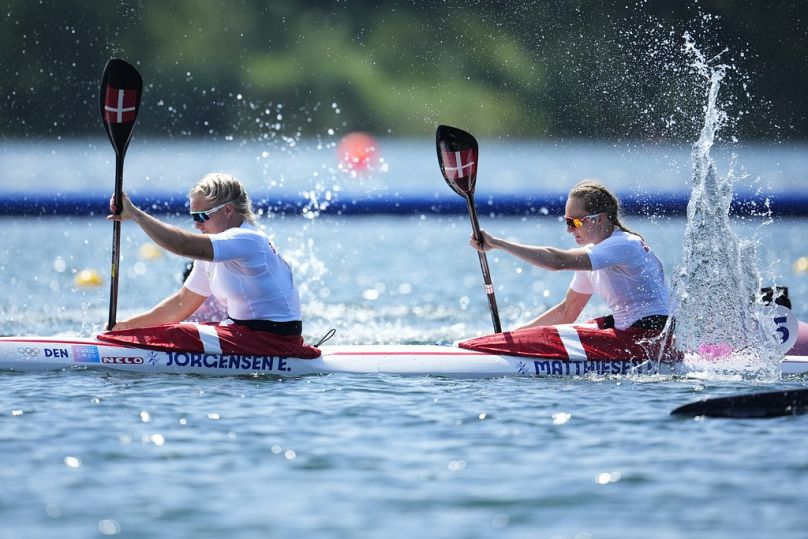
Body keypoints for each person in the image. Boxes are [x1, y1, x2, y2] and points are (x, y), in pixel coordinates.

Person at [106, 172, 303, 336]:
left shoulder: (249, 239)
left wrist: (135, 214)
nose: (196, 225)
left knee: (178, 333)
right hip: (243, 335)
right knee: (171, 330)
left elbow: (182, 244)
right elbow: (180, 304)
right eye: (193, 216)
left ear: (227, 210)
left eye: (201, 216)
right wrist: (123, 328)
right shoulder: (211, 254)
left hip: (275, 340)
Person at [470, 179, 669, 332]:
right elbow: (567, 311)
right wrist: (512, 336)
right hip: (631, 333)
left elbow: (557, 261)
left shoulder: (624, 244)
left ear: (599, 220)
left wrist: (497, 243)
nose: (569, 229)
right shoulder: (594, 256)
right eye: (567, 221)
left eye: (574, 222)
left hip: (652, 336)